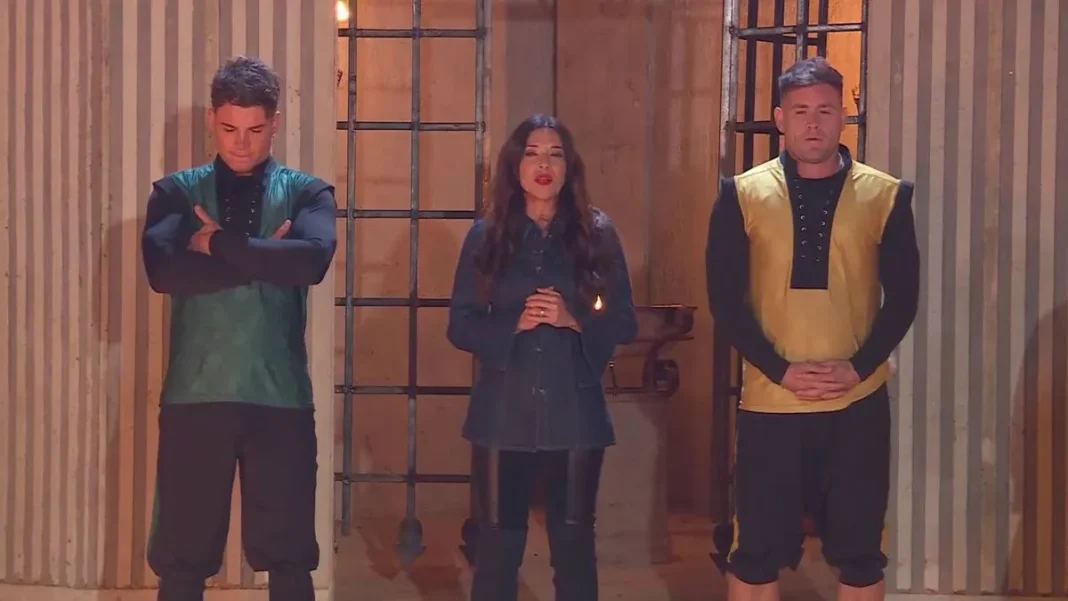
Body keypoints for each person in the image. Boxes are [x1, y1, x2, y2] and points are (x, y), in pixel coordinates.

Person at [706, 57, 919, 601]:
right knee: (755, 552)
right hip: (771, 401)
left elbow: (904, 298)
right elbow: (724, 299)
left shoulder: (885, 195)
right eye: (800, 111)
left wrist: (858, 367)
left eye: (825, 110)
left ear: (843, 117)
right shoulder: (742, 194)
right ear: (780, 118)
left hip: (857, 402)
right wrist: (779, 369)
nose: (813, 123)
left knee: (861, 553)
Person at [140, 56, 336, 601]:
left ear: (275, 122)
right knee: (182, 557)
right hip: (195, 393)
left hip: (280, 396)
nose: (241, 144)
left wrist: (219, 245)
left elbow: (311, 263)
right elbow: (164, 273)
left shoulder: (308, 193)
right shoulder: (176, 192)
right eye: (229, 128)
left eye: (254, 129)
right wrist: (265, 257)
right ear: (212, 119)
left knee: (290, 557)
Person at [446, 114, 638, 601]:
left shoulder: (597, 233)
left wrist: (575, 319)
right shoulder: (486, 235)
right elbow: (460, 325)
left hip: (574, 413)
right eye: (532, 154)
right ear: (515, 166)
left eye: (555, 154)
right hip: (501, 413)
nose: (544, 165)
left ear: (570, 166)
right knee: (497, 548)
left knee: (573, 548)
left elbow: (624, 321)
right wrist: (514, 324)